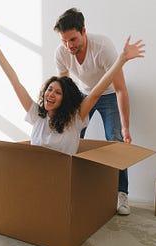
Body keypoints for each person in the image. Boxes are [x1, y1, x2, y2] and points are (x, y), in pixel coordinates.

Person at [0, 26, 144, 160]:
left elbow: (97, 91)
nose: (50, 94)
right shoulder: (37, 115)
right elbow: (15, 81)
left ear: (65, 99)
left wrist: (121, 59)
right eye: (49, 89)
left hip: (63, 179)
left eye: (57, 92)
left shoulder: (74, 119)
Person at [54, 8, 134, 215]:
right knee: (71, 138)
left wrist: (125, 128)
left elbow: (120, 89)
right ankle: (68, 188)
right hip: (82, 94)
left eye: (73, 39)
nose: (68, 46)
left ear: (83, 31)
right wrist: (63, 122)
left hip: (108, 94)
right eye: (64, 41)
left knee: (115, 140)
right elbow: (65, 88)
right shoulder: (61, 52)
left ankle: (121, 194)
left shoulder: (103, 47)